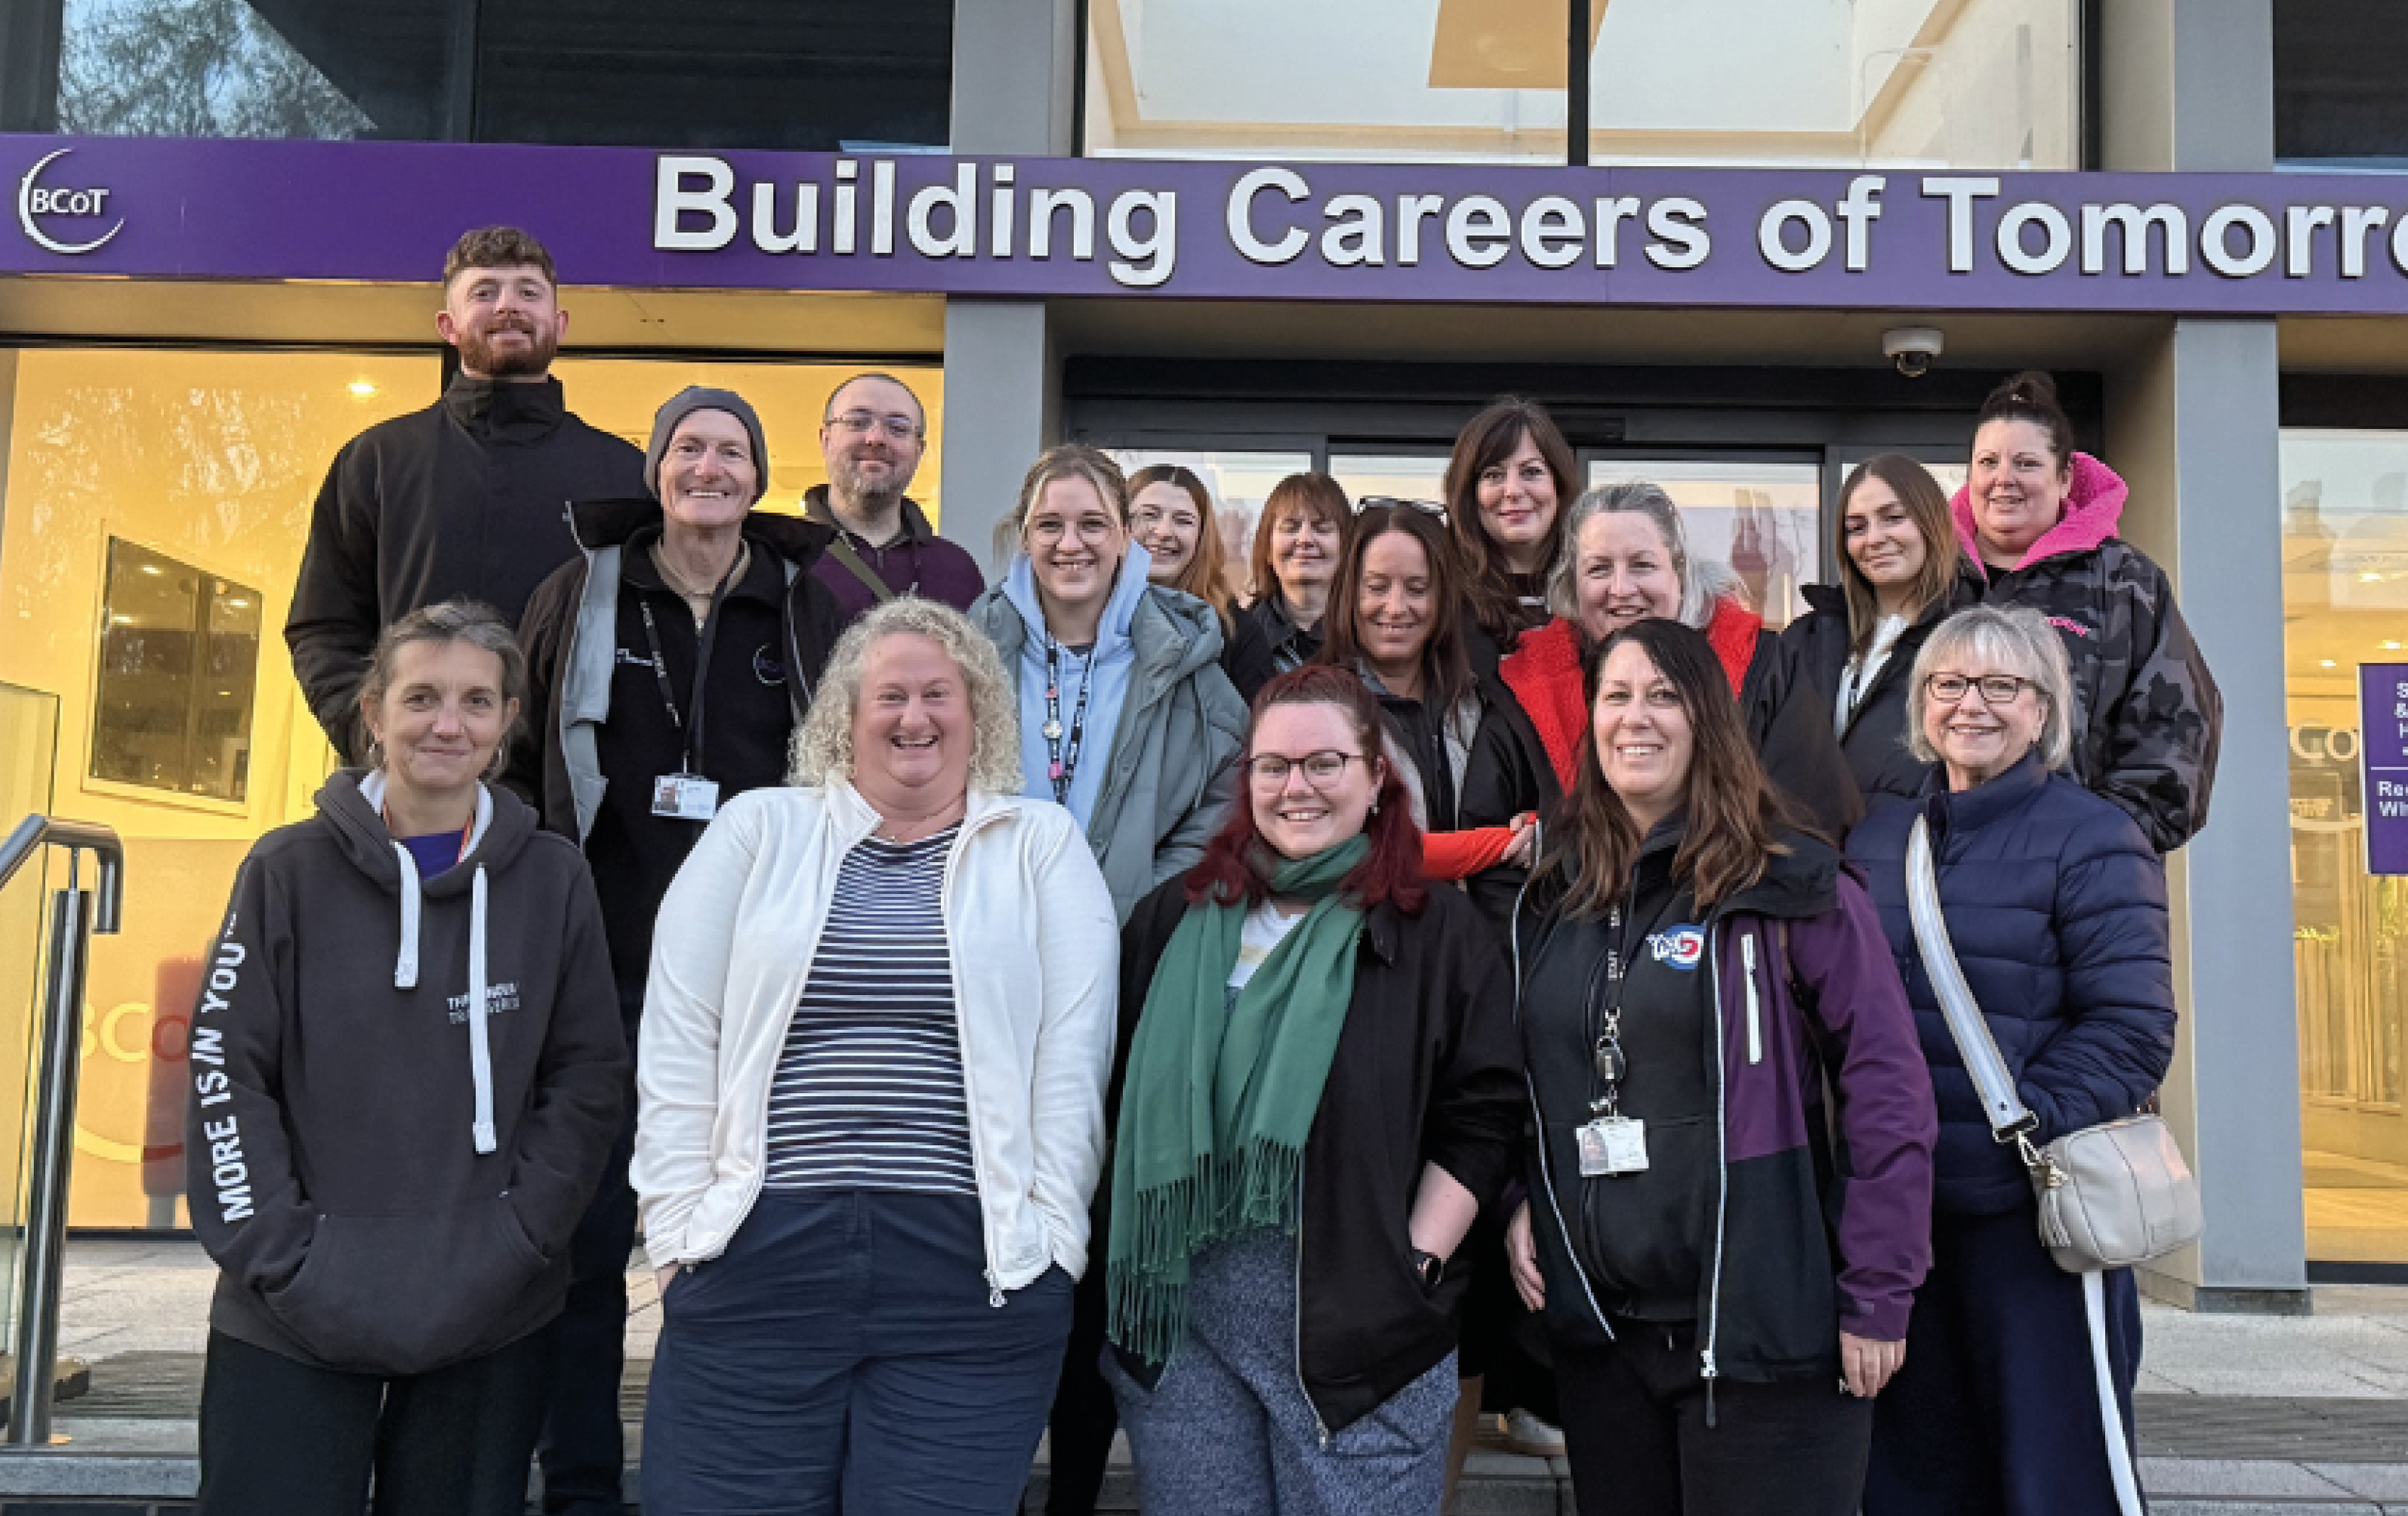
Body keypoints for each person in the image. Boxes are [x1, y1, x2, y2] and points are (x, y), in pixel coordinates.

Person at [634, 597, 1118, 1516]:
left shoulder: (1041, 847)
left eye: (941, 694)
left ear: (977, 716)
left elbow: (1072, 1060)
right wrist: (676, 1231)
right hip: (759, 1249)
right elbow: (679, 1039)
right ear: (845, 719)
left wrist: (1052, 1241)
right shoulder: (757, 831)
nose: (915, 716)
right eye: (889, 695)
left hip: (971, 1268)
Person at [187, 601, 627, 1516]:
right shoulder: (285, 871)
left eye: (476, 700)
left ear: (509, 721)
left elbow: (587, 1078)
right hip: (291, 1312)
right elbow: (227, 1071)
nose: (447, 724)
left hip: (490, 1307)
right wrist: (283, 1254)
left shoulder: (552, 878)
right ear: (374, 713)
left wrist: (518, 1238)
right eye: (421, 697)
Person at [1504, 618, 1936, 1516]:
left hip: (1768, 1337)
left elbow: (1887, 1093)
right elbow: (1522, 1081)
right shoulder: (1555, 897)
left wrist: (1879, 1292)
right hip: (1607, 1339)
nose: (1637, 718)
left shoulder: (1791, 884)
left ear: (1710, 720)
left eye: (1665, 696)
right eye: (1617, 696)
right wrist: (1520, 1199)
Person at [509, 386, 847, 1516]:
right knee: (589, 1239)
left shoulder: (809, 609)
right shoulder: (580, 592)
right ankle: (585, 1490)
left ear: (759, 477)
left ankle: (736, 1478)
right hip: (599, 969)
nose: (709, 467)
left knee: (746, 1235)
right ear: (656, 469)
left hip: (758, 985)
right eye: (687, 448)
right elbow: (517, 763)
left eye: (732, 451)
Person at [1102, 665, 1523, 1516]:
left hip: (1358, 1336)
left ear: (1377, 780)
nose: (1297, 787)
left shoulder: (1437, 933)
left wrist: (1414, 1261)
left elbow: (1483, 1114)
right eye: (1273, 766)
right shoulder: (1171, 920)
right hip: (1184, 1333)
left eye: (1325, 763)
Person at [1845, 605, 2176, 1516]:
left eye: (2002, 685)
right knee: (1910, 1475)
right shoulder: (1876, 840)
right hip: (1900, 1221)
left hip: (2032, 1223)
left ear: (2044, 709)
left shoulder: (2096, 837)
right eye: (1949, 683)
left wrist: (2011, 1138)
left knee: (2056, 1476)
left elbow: (2131, 1029)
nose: (1971, 705)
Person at [286, 226, 646, 761]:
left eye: (528, 292)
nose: (508, 307)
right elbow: (325, 626)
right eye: (485, 293)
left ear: (560, 323)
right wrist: (370, 737)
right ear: (447, 326)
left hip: (568, 798)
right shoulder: (377, 460)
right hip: (405, 787)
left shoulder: (624, 475)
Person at [1469, 482, 1863, 845]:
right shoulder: (1525, 686)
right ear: (1573, 585)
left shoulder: (1766, 665)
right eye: (1599, 569)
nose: (1621, 589)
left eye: (1642, 565)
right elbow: (1489, 846)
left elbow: (1813, 817)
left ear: (1680, 574)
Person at [971, 444, 1247, 922]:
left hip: (1131, 945)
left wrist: (1147, 903)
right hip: (992, 934)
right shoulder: (969, 657)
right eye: (1050, 525)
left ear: (1124, 536)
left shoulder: (1184, 661)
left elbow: (1227, 797)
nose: (1071, 543)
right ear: (1025, 537)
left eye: (1092, 525)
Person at [1953, 371, 2220, 852]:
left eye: (2026, 463)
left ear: (2065, 479)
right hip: (1938, 870)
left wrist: (2100, 842)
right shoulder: (1932, 580)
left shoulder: (2124, 581)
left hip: (2077, 882)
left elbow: (2177, 727)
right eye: (1987, 461)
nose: (2002, 480)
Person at [1315, 501, 1532, 878]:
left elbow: (1534, 815)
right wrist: (1499, 845)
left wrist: (1532, 828)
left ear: (1443, 598)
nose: (1396, 607)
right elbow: (1360, 851)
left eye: (1417, 588)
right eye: (1377, 587)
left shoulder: (1485, 699)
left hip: (1479, 931)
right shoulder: (1314, 709)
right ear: (1348, 594)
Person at [1781, 455, 1978, 810]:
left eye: (1893, 518)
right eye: (1856, 527)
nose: (1874, 539)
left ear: (1930, 522)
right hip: (1811, 859)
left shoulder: (1976, 640)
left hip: (1921, 856)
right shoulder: (1804, 640)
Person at [801, 371, 986, 618]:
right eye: (857, 422)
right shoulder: (784, 561)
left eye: (898, 428)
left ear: (919, 450)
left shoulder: (957, 570)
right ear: (826, 440)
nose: (876, 438)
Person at [1445, 396, 1579, 668]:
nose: (1513, 491)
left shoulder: (1592, 591)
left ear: (1559, 485)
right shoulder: (1445, 598)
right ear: (1470, 495)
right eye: (1494, 475)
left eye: (1531, 472)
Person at [1131, 463, 1278, 702]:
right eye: (1149, 515)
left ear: (1201, 537)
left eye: (1183, 520)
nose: (1164, 531)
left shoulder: (1236, 633)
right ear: (1121, 525)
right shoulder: (1091, 618)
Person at [1236, 472, 1351, 675]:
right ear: (1267, 548)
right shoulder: (1236, 639)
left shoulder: (1369, 639)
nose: (1305, 539)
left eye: (1322, 528)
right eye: (1291, 528)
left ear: (1346, 547)